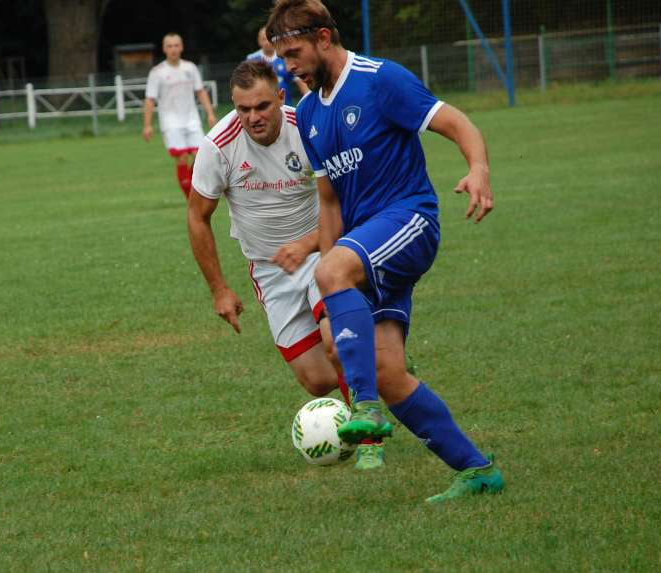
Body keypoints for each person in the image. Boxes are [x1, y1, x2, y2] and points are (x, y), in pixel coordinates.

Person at [267, 0, 504, 502]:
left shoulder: (380, 80)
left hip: (410, 220)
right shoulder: (309, 113)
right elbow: (329, 202)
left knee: (363, 362)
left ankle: (365, 411)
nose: (288, 67)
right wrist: (330, 285)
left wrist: (478, 168)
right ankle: (477, 470)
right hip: (364, 250)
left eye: (293, 53)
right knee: (389, 372)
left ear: (324, 38)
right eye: (282, 57)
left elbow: (458, 123)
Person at [187, 59, 386, 470]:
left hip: (325, 251)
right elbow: (197, 217)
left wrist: (308, 243)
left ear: (280, 97)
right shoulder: (218, 145)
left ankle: (369, 441)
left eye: (262, 106)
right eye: (243, 110)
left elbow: (347, 201)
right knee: (316, 380)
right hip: (270, 270)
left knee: (336, 343)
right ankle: (376, 357)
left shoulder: (308, 128)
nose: (253, 118)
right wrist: (219, 288)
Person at [143, 33, 217, 199]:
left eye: (176, 45)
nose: (173, 49)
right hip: (171, 122)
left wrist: (210, 114)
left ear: (181, 47)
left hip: (192, 120)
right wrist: (147, 125)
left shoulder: (190, 68)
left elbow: (200, 91)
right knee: (182, 157)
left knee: (200, 158)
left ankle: (194, 191)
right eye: (169, 46)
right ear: (164, 49)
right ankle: (190, 199)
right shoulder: (157, 72)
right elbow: (150, 100)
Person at [247, 26, 309, 105]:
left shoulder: (286, 57)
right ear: (259, 41)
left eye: (269, 39)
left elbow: (300, 81)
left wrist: (307, 97)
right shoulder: (252, 59)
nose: (267, 42)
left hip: (285, 105)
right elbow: (248, 85)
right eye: (263, 39)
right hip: (261, 107)